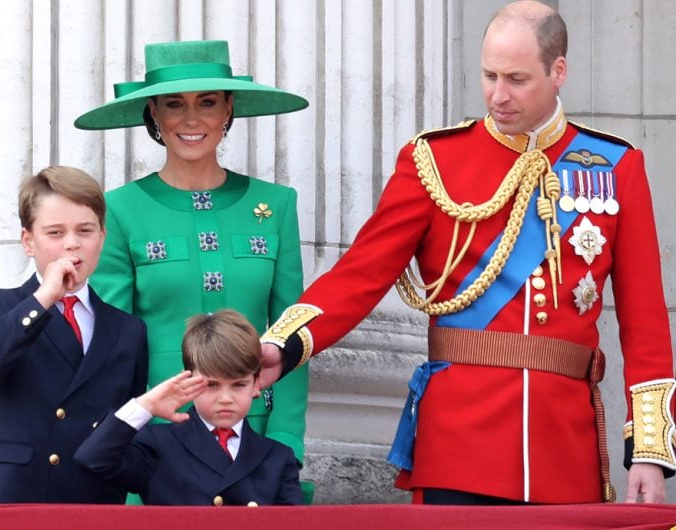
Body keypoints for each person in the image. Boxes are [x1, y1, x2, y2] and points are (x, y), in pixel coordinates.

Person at [259, 0, 674, 505]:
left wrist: (649, 452)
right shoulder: (434, 160)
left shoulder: (615, 167)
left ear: (558, 70)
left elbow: (645, 323)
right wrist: (283, 344)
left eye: (517, 79)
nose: (498, 95)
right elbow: (360, 274)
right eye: (489, 76)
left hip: (563, 447)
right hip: (458, 444)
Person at [73, 40, 313, 502]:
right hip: (161, 440)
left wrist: (285, 443)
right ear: (153, 113)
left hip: (254, 437)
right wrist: (131, 426)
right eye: (173, 105)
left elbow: (292, 334)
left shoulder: (277, 205)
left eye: (206, 103)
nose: (190, 119)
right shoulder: (120, 210)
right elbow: (113, 346)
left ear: (228, 109)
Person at [0, 166, 149, 504]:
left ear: (102, 237)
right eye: (55, 233)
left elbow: (126, 425)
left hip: (91, 498)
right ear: (28, 241)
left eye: (85, 231)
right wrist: (45, 298)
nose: (72, 244)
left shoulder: (127, 329)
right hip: (11, 496)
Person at [75, 309, 304, 506]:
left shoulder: (277, 457)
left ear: (256, 384)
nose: (225, 398)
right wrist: (144, 405)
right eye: (212, 385)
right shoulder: (159, 444)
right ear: (188, 380)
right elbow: (93, 458)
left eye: (238, 385)